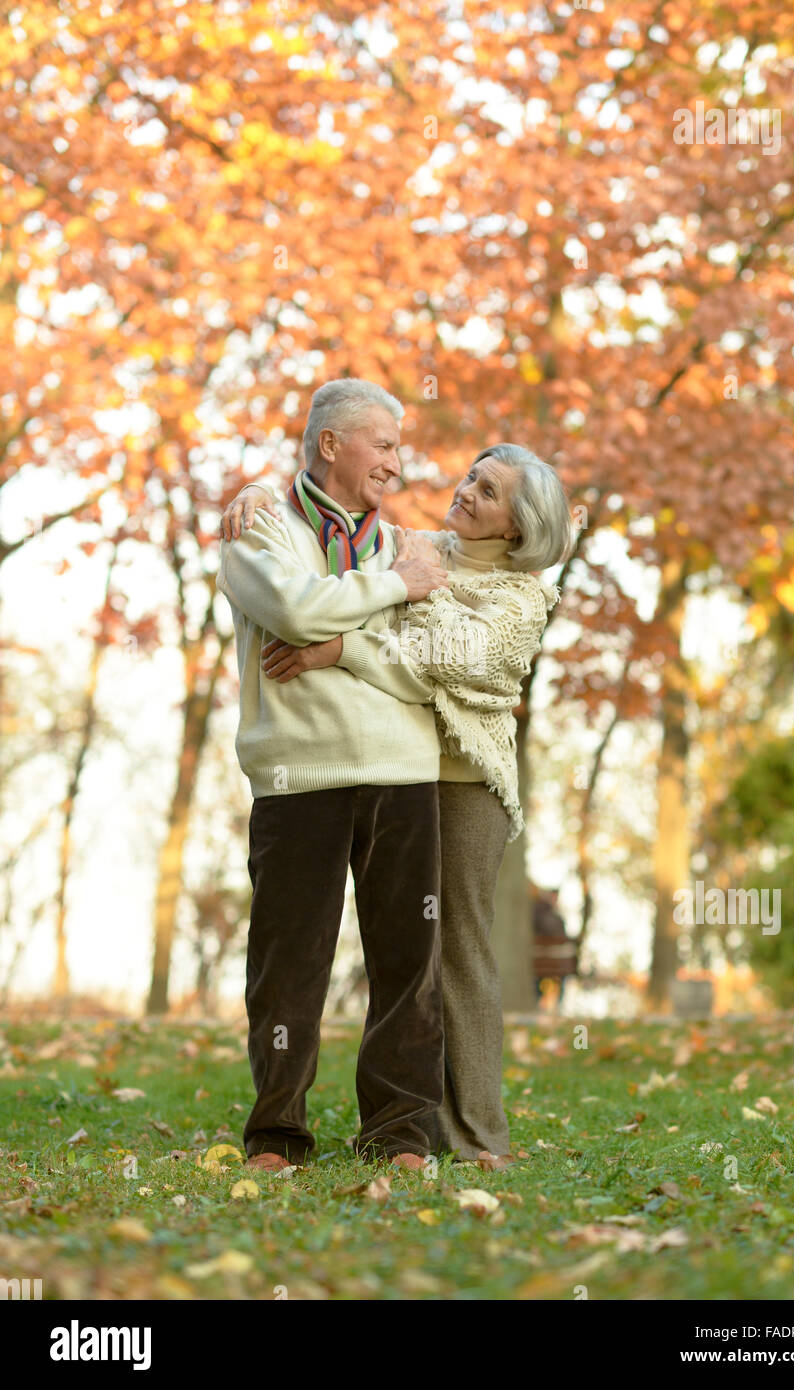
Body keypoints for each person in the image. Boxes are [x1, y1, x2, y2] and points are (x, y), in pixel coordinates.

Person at [222, 441, 573, 1169]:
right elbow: (336, 514)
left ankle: (478, 1133)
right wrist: (258, 491)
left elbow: (448, 663)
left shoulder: (522, 597)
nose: (467, 490)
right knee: (409, 952)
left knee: (460, 950)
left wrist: (340, 651)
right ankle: (414, 1123)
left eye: (490, 491)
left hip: (466, 782)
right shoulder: (415, 548)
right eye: (472, 476)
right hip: (400, 770)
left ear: (516, 527)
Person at [217, 377, 452, 1174]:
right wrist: (388, 594)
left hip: (404, 771)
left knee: (405, 964)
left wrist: (346, 639)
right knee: (287, 965)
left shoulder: (415, 546)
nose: (396, 460)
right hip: (298, 775)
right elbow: (291, 610)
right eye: (382, 443)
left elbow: (430, 670)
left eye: (397, 444)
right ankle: (277, 1135)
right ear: (330, 444)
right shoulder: (259, 529)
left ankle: (400, 1134)